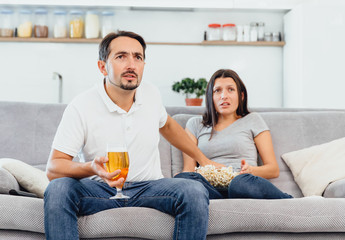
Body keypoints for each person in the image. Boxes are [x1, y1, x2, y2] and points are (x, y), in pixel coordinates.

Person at [44, 31, 221, 240]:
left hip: (150, 187)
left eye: (138, 57)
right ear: (103, 67)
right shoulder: (81, 105)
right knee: (58, 189)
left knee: (193, 190)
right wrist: (90, 167)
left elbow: (169, 127)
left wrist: (203, 159)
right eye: (121, 57)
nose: (131, 64)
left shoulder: (151, 93)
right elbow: (54, 168)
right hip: (100, 189)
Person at [175, 69, 293, 199]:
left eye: (230, 89)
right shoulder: (195, 124)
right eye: (217, 90)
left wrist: (251, 171)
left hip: (243, 182)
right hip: (210, 188)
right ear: (211, 97)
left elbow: (273, 169)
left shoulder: (253, 120)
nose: (224, 96)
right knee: (184, 178)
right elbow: (189, 169)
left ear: (241, 96)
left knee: (239, 183)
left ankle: (287, 199)